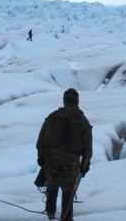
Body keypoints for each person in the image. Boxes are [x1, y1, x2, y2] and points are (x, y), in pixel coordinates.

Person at [36, 88, 93, 221]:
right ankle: (66, 217)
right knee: (68, 190)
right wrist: (85, 166)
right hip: (71, 163)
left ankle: (50, 214)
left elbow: (41, 140)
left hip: (52, 160)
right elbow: (88, 148)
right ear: (77, 101)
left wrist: (41, 157)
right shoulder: (83, 120)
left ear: (64, 100)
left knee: (52, 185)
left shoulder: (53, 116)